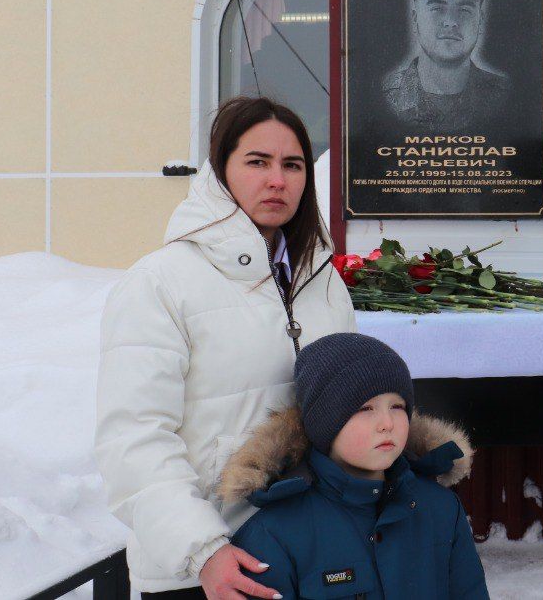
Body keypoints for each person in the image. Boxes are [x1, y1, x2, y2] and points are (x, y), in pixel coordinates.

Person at [94, 96, 357, 598]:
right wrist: (203, 550)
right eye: (257, 162)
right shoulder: (160, 283)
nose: (277, 180)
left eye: (293, 165)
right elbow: (133, 439)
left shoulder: (323, 283)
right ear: (220, 172)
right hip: (206, 570)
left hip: (309, 551)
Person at [218, 332, 489, 599]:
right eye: (365, 409)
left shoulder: (441, 509)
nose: (387, 423)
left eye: (397, 406)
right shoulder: (274, 533)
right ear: (325, 423)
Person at [381, 0, 512, 134]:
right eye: (437, 8)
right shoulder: (386, 96)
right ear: (415, 17)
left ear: (480, 20)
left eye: (464, 10)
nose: (451, 22)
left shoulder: (503, 96)